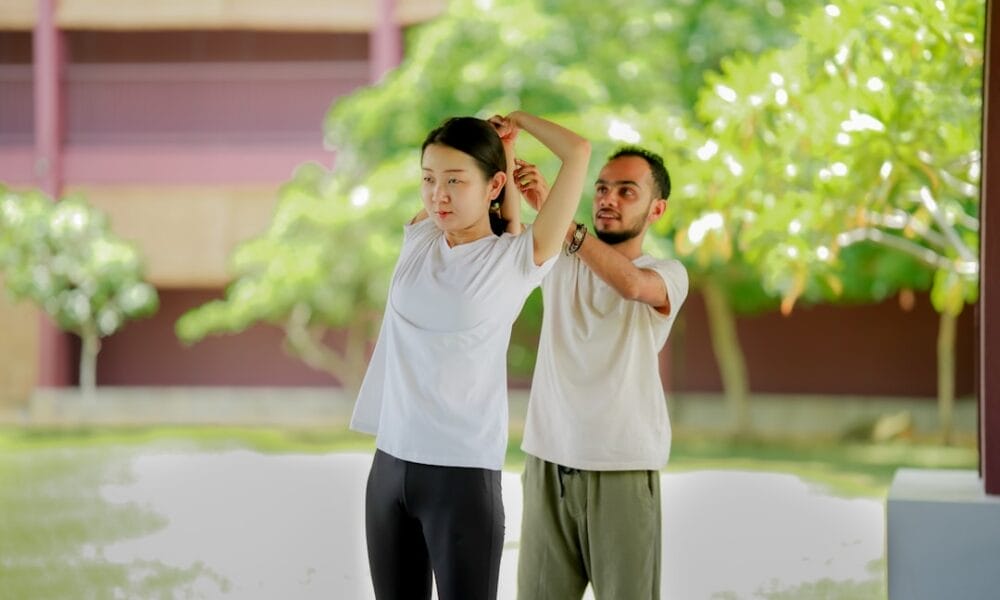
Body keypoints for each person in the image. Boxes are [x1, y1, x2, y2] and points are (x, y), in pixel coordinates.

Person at [349, 111, 590, 600]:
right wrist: (499, 145)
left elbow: (578, 153)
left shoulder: (519, 260)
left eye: (455, 181)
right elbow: (486, 205)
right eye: (429, 179)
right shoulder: (420, 238)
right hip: (389, 466)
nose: (438, 194)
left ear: (494, 184)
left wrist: (517, 125)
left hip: (460, 477)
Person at [512, 146, 689, 600]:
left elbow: (631, 286)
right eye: (603, 188)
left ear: (657, 209)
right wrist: (510, 149)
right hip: (547, 461)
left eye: (627, 191)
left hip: (622, 468)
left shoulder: (667, 273)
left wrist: (563, 220)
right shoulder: (559, 256)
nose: (609, 199)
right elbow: (515, 230)